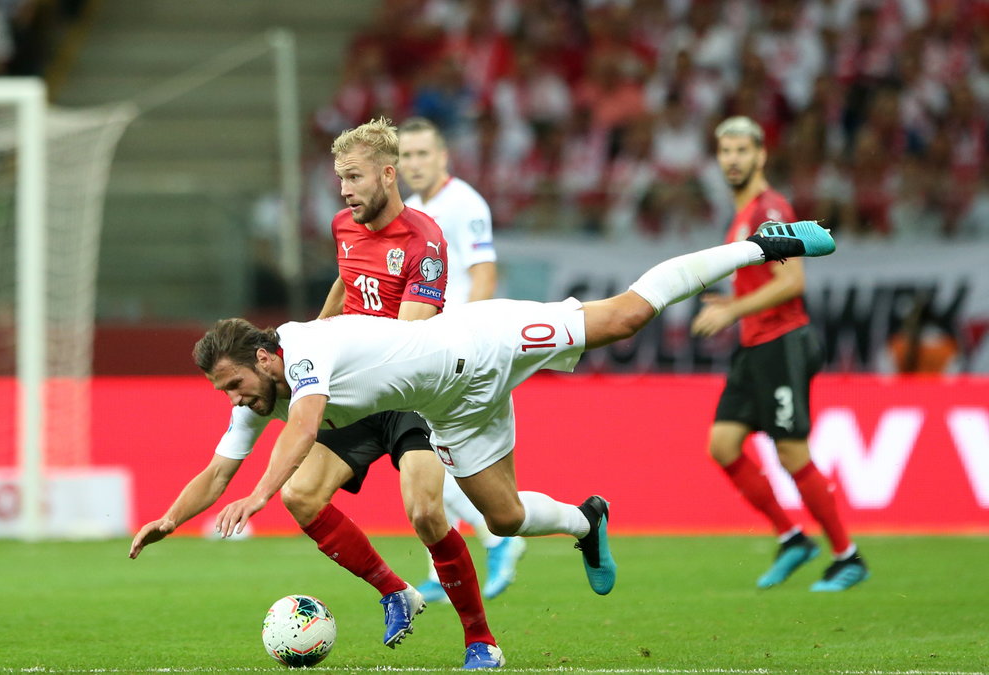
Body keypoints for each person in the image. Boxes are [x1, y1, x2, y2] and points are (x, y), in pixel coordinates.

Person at [184, 221, 834, 662]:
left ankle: (762, 245)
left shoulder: (302, 349)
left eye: (234, 384)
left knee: (627, 314)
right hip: (455, 409)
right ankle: (587, 521)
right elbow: (216, 472)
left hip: (485, 340)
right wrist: (164, 521)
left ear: (265, 357)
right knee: (507, 515)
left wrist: (264, 493)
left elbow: (303, 426)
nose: (235, 399)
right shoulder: (258, 392)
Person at [132, 118, 505, 670]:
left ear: (386, 173)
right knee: (301, 496)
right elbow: (347, 280)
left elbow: (408, 342)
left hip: (405, 390)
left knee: (425, 512)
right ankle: (394, 591)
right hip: (348, 385)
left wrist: (324, 354)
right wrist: (315, 337)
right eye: (339, 179)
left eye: (353, 177)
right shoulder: (342, 227)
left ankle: (481, 641)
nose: (345, 190)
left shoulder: (425, 239)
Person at [690, 116, 869, 592]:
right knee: (723, 445)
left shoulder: (768, 212)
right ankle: (792, 538)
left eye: (741, 151)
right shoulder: (744, 213)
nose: (732, 159)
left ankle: (847, 555)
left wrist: (732, 310)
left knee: (791, 452)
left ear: (760, 155)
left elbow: (792, 282)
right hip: (755, 346)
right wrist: (734, 309)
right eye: (725, 151)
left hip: (783, 342)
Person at [398, 116, 525, 603]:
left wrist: (470, 337)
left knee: (438, 454)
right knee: (423, 456)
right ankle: (445, 562)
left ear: (443, 156)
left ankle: (498, 541)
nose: (414, 164)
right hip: (423, 350)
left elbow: (484, 275)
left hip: (460, 350)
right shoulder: (408, 208)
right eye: (406, 156)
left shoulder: (465, 203)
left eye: (422, 154)